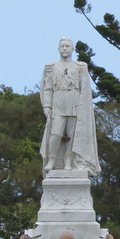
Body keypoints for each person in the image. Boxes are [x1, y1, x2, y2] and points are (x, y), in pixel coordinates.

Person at [40, 38, 100, 175]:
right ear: (58, 48)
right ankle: (52, 160)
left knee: (72, 136)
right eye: (62, 46)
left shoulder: (79, 67)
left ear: (72, 49)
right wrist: (47, 106)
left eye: (67, 46)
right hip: (58, 101)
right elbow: (47, 88)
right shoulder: (51, 67)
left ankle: (68, 161)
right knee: (55, 134)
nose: (65, 48)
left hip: (73, 102)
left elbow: (84, 89)